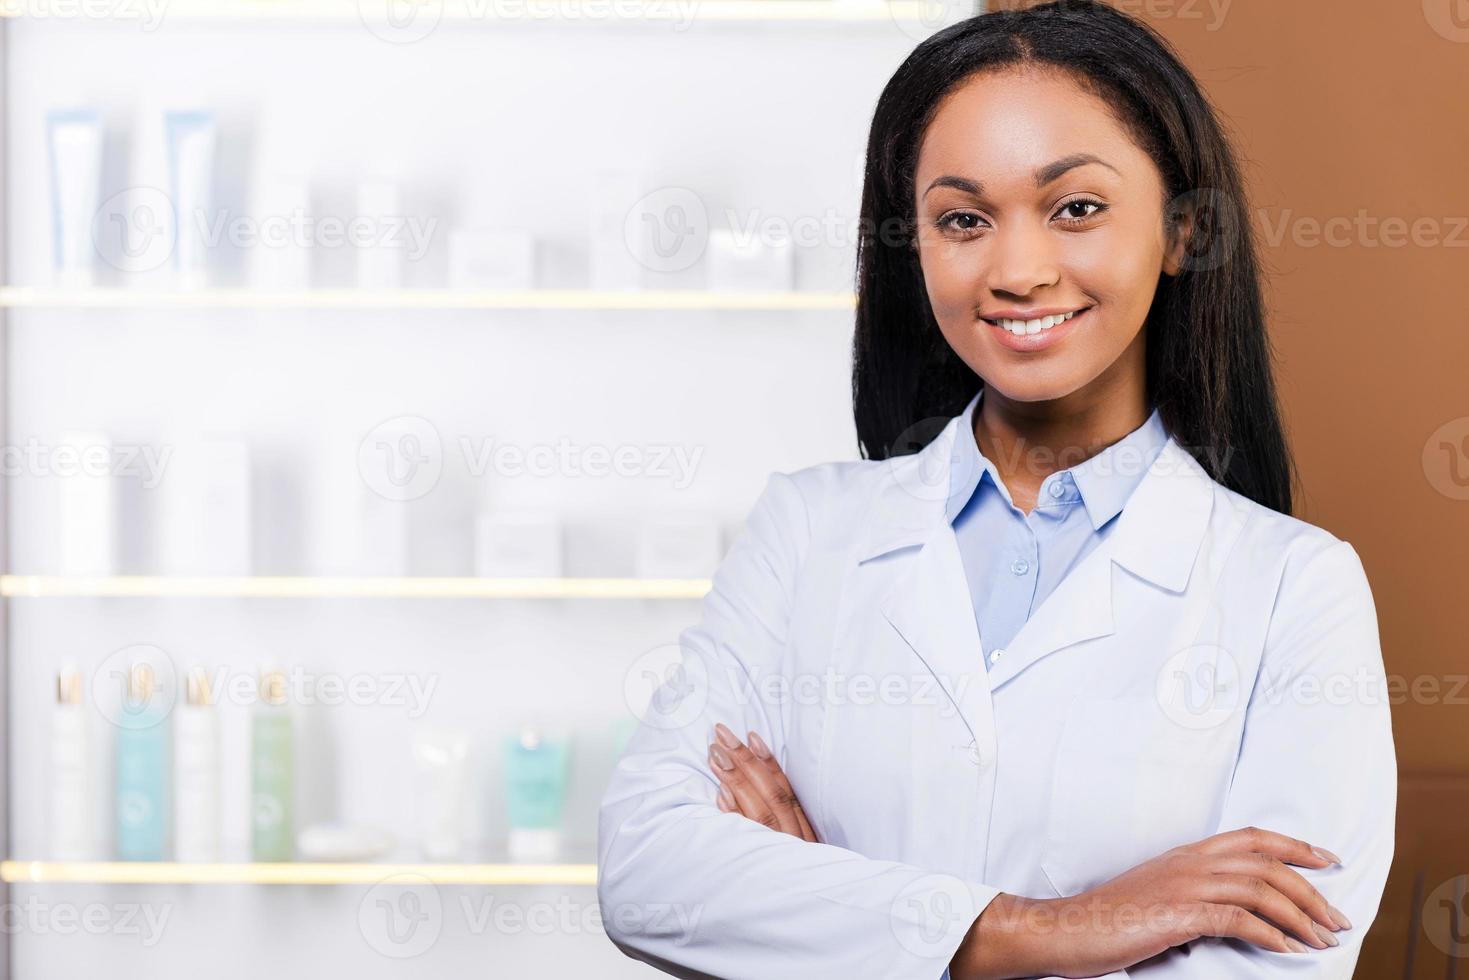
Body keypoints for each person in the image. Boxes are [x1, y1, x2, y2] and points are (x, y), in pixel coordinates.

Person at [596, 3, 1397, 977]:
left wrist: (832, 920)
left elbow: (1274, 963)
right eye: (962, 219)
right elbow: (648, 869)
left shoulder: (1293, 588)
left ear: (1183, 230)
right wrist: (1049, 926)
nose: (1016, 271)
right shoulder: (808, 528)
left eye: (1075, 208)